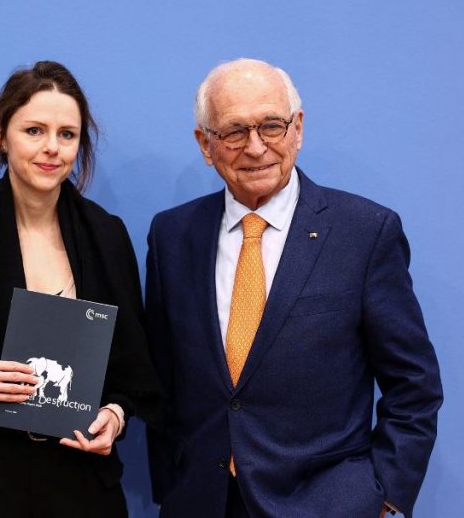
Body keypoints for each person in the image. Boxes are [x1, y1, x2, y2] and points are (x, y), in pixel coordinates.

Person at [144, 58, 442, 517]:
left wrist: (381, 495)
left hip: (327, 503)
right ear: (206, 144)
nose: (256, 147)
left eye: (271, 126)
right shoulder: (171, 235)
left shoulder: (364, 232)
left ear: (297, 129)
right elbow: (163, 375)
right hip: (200, 501)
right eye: (235, 131)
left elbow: (413, 385)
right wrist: (172, 482)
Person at [0, 61, 160, 517]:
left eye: (67, 134)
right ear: (0, 133)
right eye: (34, 130)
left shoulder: (108, 236)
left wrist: (116, 417)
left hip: (85, 483)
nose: (52, 148)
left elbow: (136, 372)